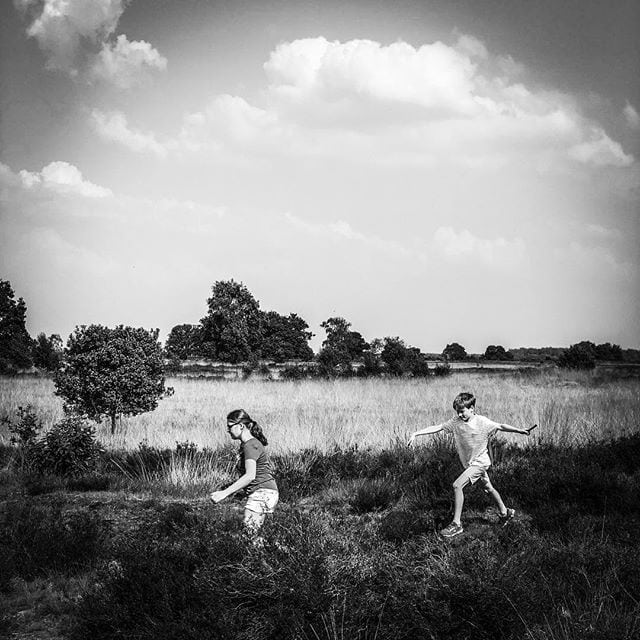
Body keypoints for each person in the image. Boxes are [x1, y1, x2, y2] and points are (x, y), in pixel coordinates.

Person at [408, 392, 536, 538]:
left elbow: (500, 426)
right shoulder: (456, 422)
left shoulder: (482, 422)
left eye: (462, 411)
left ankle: (456, 524)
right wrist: (416, 434)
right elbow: (438, 427)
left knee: (457, 485)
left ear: (472, 409)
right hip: (469, 464)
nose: (460, 414)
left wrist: (520, 430)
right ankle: (505, 512)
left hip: (480, 463)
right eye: (457, 412)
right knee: (488, 488)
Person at [210, 409, 279, 537]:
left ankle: (286, 553)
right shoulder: (248, 445)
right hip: (264, 492)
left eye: (230, 426)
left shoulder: (250, 445)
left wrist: (224, 493)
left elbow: (250, 476)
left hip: (262, 492)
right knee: (253, 537)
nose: (228, 430)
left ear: (241, 426)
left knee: (249, 536)